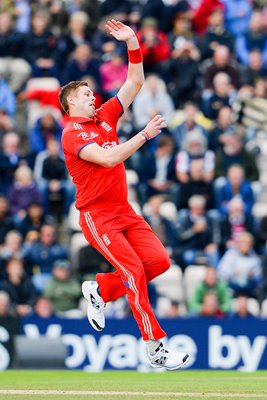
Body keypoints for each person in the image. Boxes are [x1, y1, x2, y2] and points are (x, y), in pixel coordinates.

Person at [59, 19, 189, 370]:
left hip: (123, 210)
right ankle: (156, 347)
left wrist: (132, 42)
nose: (93, 96)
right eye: (86, 94)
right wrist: (145, 135)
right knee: (133, 270)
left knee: (159, 262)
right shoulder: (72, 134)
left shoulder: (104, 118)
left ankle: (101, 291)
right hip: (97, 215)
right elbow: (109, 157)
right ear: (71, 102)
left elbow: (135, 81)